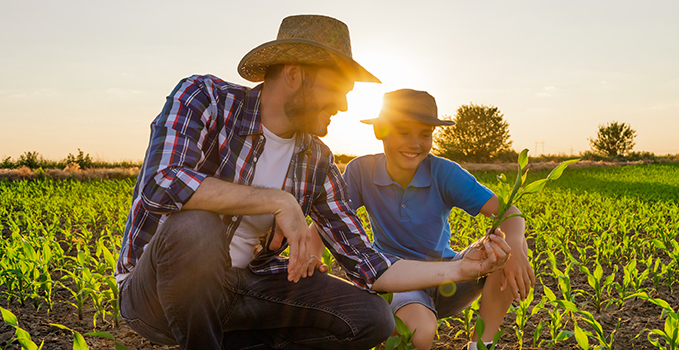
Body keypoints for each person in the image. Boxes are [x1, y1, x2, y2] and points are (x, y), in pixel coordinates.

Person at [115, 15, 512, 350]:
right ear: (294, 74)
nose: (342, 105)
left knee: (372, 317)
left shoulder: (317, 160)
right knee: (195, 225)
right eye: (338, 91)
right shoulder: (205, 98)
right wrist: (278, 201)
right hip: (157, 295)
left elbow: (369, 264)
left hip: (245, 291)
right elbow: (161, 183)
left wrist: (462, 269)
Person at [337, 89, 535, 350]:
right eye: (403, 132)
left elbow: (508, 211)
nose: (415, 143)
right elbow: (331, 217)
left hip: (450, 275)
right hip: (400, 280)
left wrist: (517, 250)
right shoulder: (361, 171)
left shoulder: (444, 172)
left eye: (425, 135)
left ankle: (481, 345)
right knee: (419, 333)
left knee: (503, 250)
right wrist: (312, 258)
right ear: (380, 131)